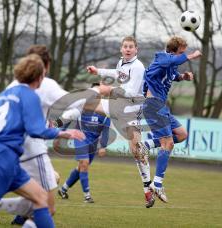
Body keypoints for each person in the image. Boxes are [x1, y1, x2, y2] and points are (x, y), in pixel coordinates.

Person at [0, 54, 84, 228]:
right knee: (41, 200)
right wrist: (63, 134)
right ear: (40, 77)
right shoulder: (29, 95)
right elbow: (36, 130)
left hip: (11, 160)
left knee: (41, 199)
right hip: (3, 157)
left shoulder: (5, 94)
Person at [87, 36, 155, 208]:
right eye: (125, 46)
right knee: (88, 102)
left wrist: (109, 89)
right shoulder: (122, 63)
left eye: (131, 46)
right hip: (120, 106)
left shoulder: (138, 66)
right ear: (121, 49)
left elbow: (131, 92)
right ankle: (58, 121)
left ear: (136, 49)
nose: (128, 49)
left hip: (132, 110)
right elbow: (117, 74)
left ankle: (148, 189)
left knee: (136, 150)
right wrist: (98, 72)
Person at [140, 36, 202, 203]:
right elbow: (170, 62)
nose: (183, 54)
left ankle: (147, 145)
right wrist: (191, 56)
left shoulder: (168, 64)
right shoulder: (161, 58)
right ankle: (157, 184)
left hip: (161, 106)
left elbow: (173, 75)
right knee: (168, 143)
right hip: (153, 105)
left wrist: (184, 77)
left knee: (182, 134)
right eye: (181, 52)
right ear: (173, 51)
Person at [56, 83, 110, 203]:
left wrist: (103, 146)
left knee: (81, 167)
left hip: (93, 143)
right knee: (84, 164)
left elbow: (106, 130)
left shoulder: (105, 112)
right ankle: (87, 195)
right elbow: (66, 119)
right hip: (80, 139)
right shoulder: (82, 108)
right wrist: (59, 134)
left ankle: (63, 189)